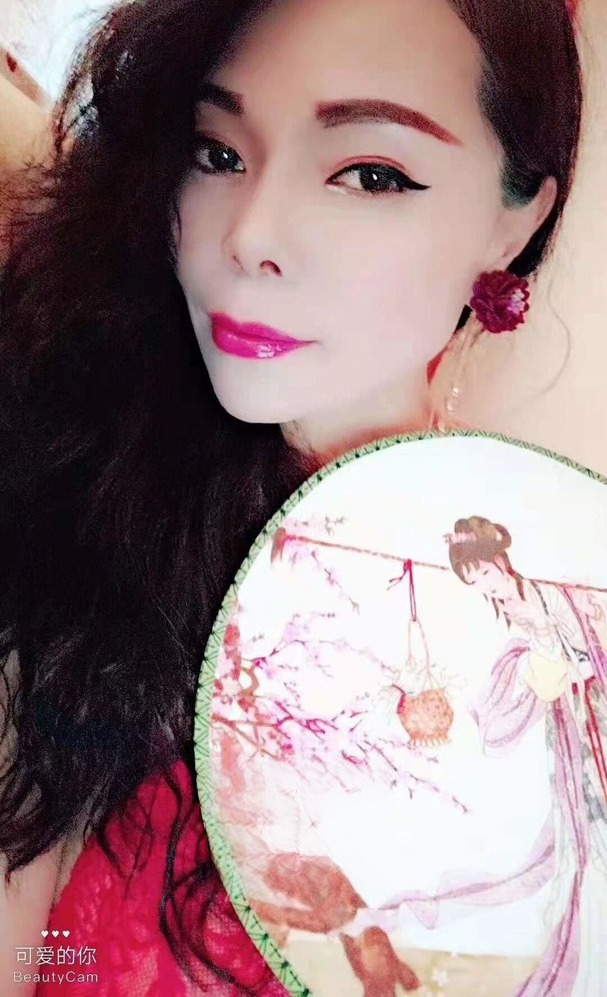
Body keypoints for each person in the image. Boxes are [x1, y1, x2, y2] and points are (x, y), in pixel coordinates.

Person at [0, 0, 583, 994]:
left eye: (370, 173)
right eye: (217, 154)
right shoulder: (87, 491)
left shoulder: (548, 601)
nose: (250, 234)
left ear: (516, 217)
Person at [447, 516, 607, 996]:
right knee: (586, 823)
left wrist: (555, 654)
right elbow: (547, 669)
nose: (486, 588)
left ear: (500, 560)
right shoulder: (513, 609)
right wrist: (538, 660)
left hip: (594, 707)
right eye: (476, 584)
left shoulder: (547, 593)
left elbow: (581, 645)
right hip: (570, 718)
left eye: (485, 575)